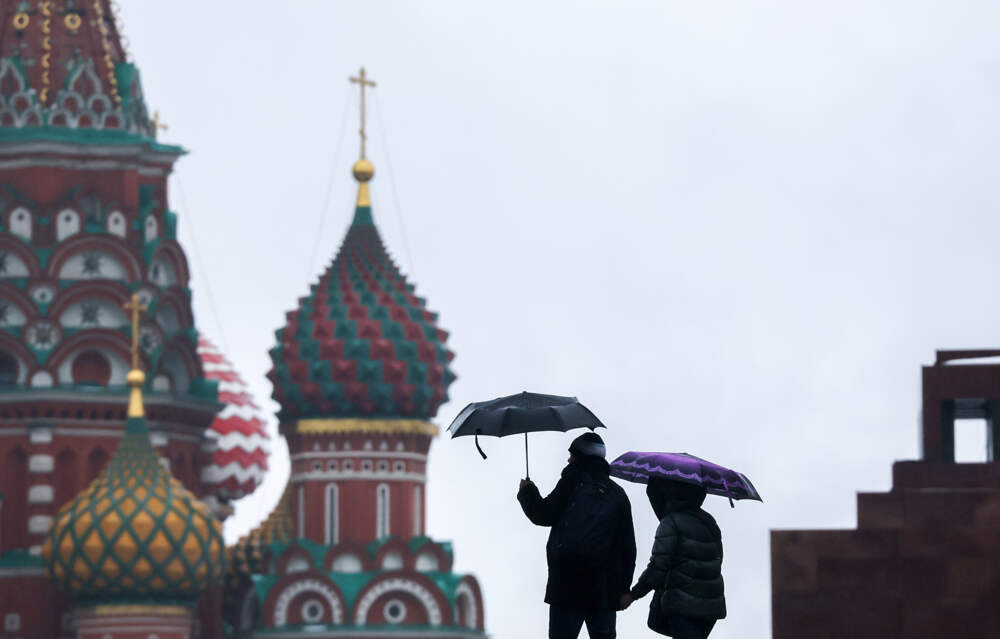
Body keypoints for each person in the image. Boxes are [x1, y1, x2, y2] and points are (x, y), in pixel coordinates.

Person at [517, 432, 636, 639]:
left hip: (567, 584)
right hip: (605, 590)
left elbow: (544, 514)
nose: (568, 459)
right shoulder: (618, 494)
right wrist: (624, 589)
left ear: (581, 456)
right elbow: (628, 547)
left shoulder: (572, 481)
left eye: (572, 455)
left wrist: (528, 491)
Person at [620, 476, 726, 639]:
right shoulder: (709, 521)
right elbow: (718, 559)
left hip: (683, 604)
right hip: (711, 606)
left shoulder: (671, 522)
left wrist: (633, 595)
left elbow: (658, 566)